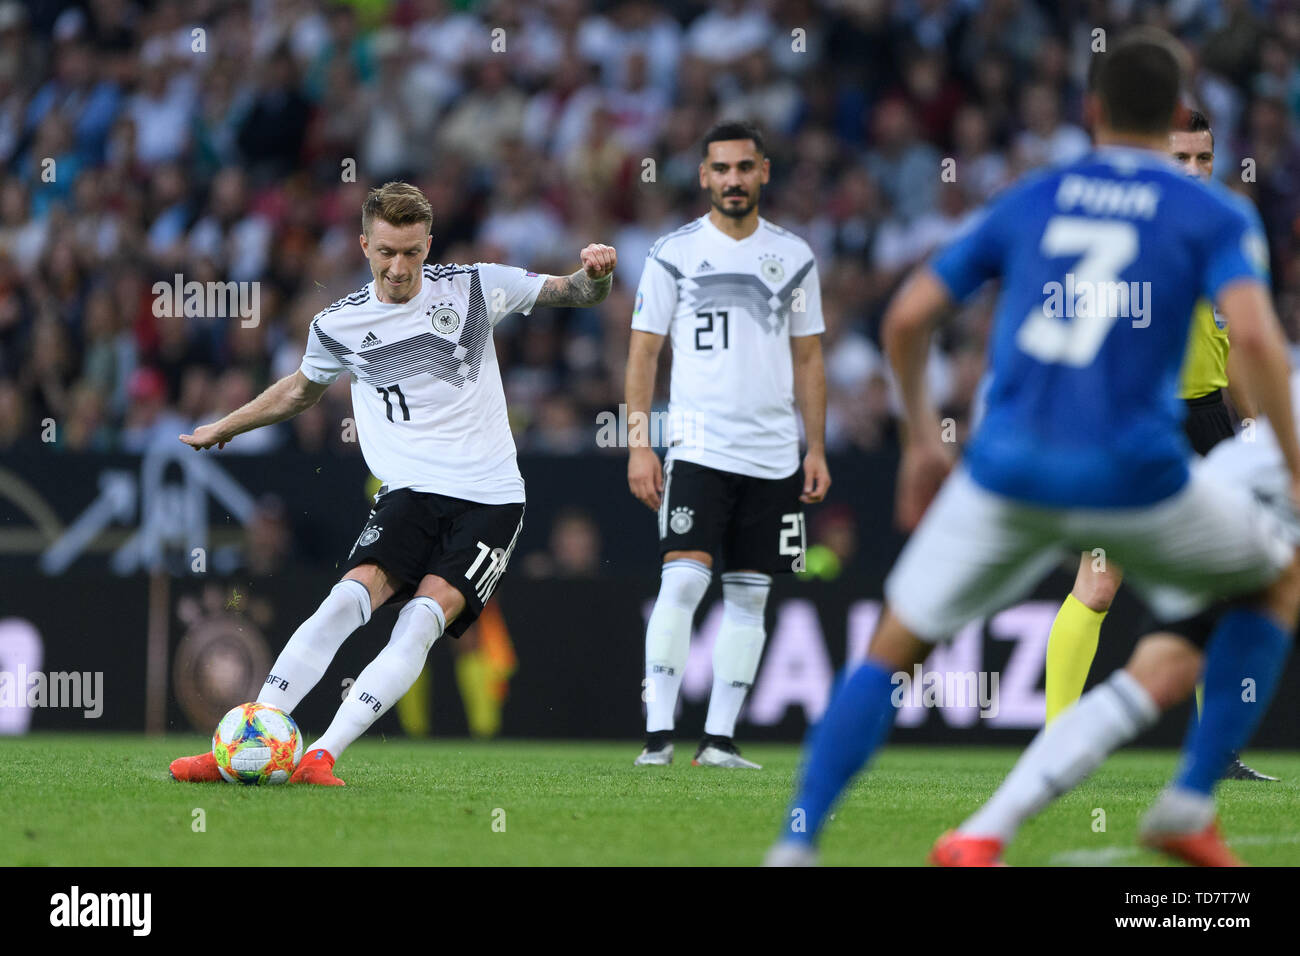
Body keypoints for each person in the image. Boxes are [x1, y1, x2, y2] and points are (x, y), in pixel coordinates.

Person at [766, 29, 1300, 866]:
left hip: (1008, 461)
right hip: (1136, 462)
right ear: (1174, 120)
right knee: (1274, 580)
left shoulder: (1032, 195)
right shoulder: (1213, 215)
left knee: (893, 647)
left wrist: (918, 441)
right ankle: (1189, 796)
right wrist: (1296, 469)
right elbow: (1263, 347)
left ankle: (795, 844)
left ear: (1089, 111)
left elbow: (907, 318)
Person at [169, 181, 616, 785]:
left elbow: (575, 293)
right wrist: (227, 425)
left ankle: (321, 755)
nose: (399, 267)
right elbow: (300, 390)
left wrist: (598, 274)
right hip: (408, 490)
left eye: (411, 252)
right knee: (343, 603)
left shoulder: (476, 287)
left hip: (490, 498)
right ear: (364, 245)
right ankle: (246, 739)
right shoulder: (339, 325)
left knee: (421, 623)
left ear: (428, 245)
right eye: (386, 252)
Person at [1042, 108, 1275, 781]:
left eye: (1204, 158)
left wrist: (1253, 421)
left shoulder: (1226, 226)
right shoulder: (1118, 231)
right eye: (1182, 159)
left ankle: (1216, 751)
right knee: (1100, 580)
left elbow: (1232, 339)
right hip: (1133, 420)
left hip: (1207, 421)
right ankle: (1056, 741)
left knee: (1226, 585)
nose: (1196, 171)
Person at [625, 120, 830, 769]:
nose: (733, 180)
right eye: (721, 169)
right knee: (682, 583)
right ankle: (659, 735)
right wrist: (640, 444)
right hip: (699, 445)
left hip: (773, 452)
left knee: (750, 597)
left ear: (763, 172)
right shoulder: (673, 252)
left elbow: (810, 358)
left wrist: (815, 448)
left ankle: (718, 740)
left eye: (744, 168)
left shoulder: (794, 255)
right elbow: (643, 354)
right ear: (705, 175)